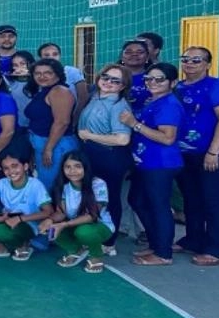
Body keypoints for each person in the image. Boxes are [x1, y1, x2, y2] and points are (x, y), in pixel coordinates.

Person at [175, 47, 219, 266]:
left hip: (212, 153)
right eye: (186, 59)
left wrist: (213, 151)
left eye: (196, 60)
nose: (190, 63)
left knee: (213, 198)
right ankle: (194, 240)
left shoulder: (217, 86)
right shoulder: (178, 87)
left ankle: (218, 249)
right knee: (191, 198)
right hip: (185, 153)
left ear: (207, 64)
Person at [119, 62, 183, 266]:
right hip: (145, 162)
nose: (152, 83)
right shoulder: (153, 101)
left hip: (160, 163)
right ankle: (157, 244)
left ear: (172, 83)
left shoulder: (169, 105)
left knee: (159, 206)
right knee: (137, 200)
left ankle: (164, 253)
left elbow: (167, 138)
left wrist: (134, 124)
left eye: (159, 79)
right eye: (149, 79)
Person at [76, 64, 133, 254]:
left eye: (115, 80)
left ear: (123, 86)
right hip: (91, 154)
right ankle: (95, 235)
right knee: (94, 197)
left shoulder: (119, 106)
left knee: (110, 199)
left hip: (109, 156)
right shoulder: (95, 96)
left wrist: (90, 136)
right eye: (106, 77)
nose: (108, 82)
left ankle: (109, 243)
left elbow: (122, 139)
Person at [39, 152, 115, 273]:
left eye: (77, 166)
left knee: (84, 231)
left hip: (100, 226)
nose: (72, 171)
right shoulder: (64, 187)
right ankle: (75, 250)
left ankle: (96, 255)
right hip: (75, 225)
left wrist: (64, 224)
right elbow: (61, 213)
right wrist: (49, 220)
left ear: (85, 167)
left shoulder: (98, 183)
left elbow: (93, 215)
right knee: (50, 229)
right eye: (67, 167)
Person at [24, 58, 78, 190]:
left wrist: (48, 148)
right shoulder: (44, 91)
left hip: (56, 145)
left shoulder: (59, 91)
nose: (42, 76)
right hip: (44, 144)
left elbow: (62, 122)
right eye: (38, 73)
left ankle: (55, 210)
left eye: (48, 73)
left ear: (57, 74)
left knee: (52, 186)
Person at [37, 42, 90, 112]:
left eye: (55, 54)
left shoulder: (72, 71)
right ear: (41, 58)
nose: (51, 57)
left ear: (60, 55)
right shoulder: (38, 75)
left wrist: (75, 119)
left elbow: (83, 97)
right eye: (46, 55)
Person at [120, 39, 151, 112]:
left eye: (140, 52)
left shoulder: (154, 78)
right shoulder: (111, 78)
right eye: (129, 52)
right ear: (122, 57)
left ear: (147, 57)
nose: (134, 54)